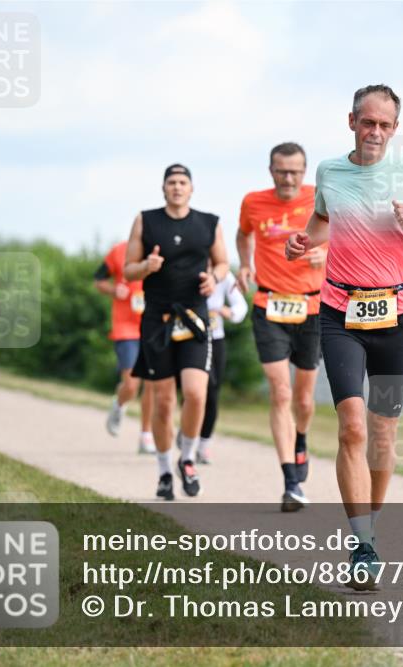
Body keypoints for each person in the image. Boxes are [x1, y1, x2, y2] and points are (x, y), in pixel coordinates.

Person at [286, 85, 403, 589]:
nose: (375, 132)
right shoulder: (329, 172)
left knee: (383, 436)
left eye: (385, 124)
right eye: (368, 122)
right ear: (351, 122)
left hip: (397, 315)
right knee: (352, 429)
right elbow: (322, 221)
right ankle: (362, 544)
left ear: (395, 129)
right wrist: (303, 241)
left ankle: (371, 525)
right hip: (340, 312)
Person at [124, 164, 228, 501]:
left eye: (183, 182)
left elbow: (223, 263)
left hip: (194, 318)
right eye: (172, 182)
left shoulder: (209, 222)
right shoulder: (146, 220)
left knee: (196, 392)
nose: (177, 187)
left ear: (191, 188)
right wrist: (146, 267)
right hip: (158, 319)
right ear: (163, 188)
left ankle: (188, 458)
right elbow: (128, 270)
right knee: (164, 401)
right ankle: (164, 472)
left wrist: (214, 279)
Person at [237, 142, 326, 512]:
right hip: (269, 305)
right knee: (280, 391)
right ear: (271, 171)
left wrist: (327, 254)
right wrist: (245, 265)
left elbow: (347, 236)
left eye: (295, 171)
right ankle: (291, 481)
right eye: (282, 171)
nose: (288, 178)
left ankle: (300, 437)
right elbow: (243, 234)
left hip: (312, 307)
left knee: (303, 400)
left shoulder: (320, 197)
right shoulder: (253, 202)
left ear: (304, 172)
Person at [95, 240, 155, 454]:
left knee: (152, 384)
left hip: (153, 325)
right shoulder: (119, 251)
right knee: (131, 384)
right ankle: (119, 405)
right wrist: (113, 289)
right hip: (126, 327)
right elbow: (98, 280)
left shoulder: (161, 249)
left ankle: (146, 435)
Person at [195, 269, 247, 463]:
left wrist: (229, 312)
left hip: (217, 339)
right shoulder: (192, 266)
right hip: (193, 339)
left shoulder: (224, 275)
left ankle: (203, 444)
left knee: (213, 392)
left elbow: (240, 305)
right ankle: (188, 431)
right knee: (198, 390)